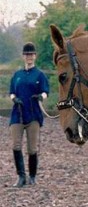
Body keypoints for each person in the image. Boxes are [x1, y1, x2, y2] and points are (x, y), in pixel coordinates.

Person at [9, 42, 50, 187]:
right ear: (23, 56)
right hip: (17, 114)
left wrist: (41, 97)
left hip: (33, 114)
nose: (29, 57)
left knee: (32, 148)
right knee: (16, 145)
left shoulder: (40, 75)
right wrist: (14, 99)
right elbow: (11, 92)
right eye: (27, 55)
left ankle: (32, 176)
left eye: (31, 54)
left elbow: (46, 91)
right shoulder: (17, 75)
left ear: (35, 56)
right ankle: (21, 176)